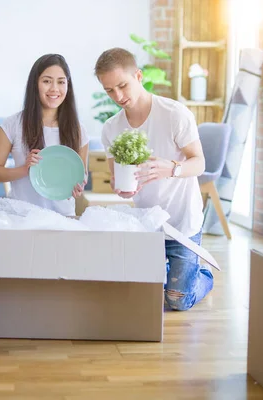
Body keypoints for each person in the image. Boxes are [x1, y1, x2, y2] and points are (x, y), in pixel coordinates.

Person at [94, 47, 213, 311]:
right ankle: (172, 273)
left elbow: (199, 162)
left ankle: (201, 275)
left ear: (138, 76)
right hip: (147, 226)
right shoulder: (111, 128)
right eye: (109, 90)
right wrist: (120, 188)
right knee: (141, 295)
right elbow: (116, 178)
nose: (118, 96)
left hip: (183, 224)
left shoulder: (174, 114)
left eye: (123, 85)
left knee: (177, 301)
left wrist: (171, 168)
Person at [0, 54, 89, 216]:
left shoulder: (78, 130)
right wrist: (24, 170)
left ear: (68, 86)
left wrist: (78, 187)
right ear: (35, 84)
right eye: (47, 81)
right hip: (21, 215)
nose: (54, 89)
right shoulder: (12, 125)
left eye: (61, 82)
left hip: (62, 217)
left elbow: (82, 175)